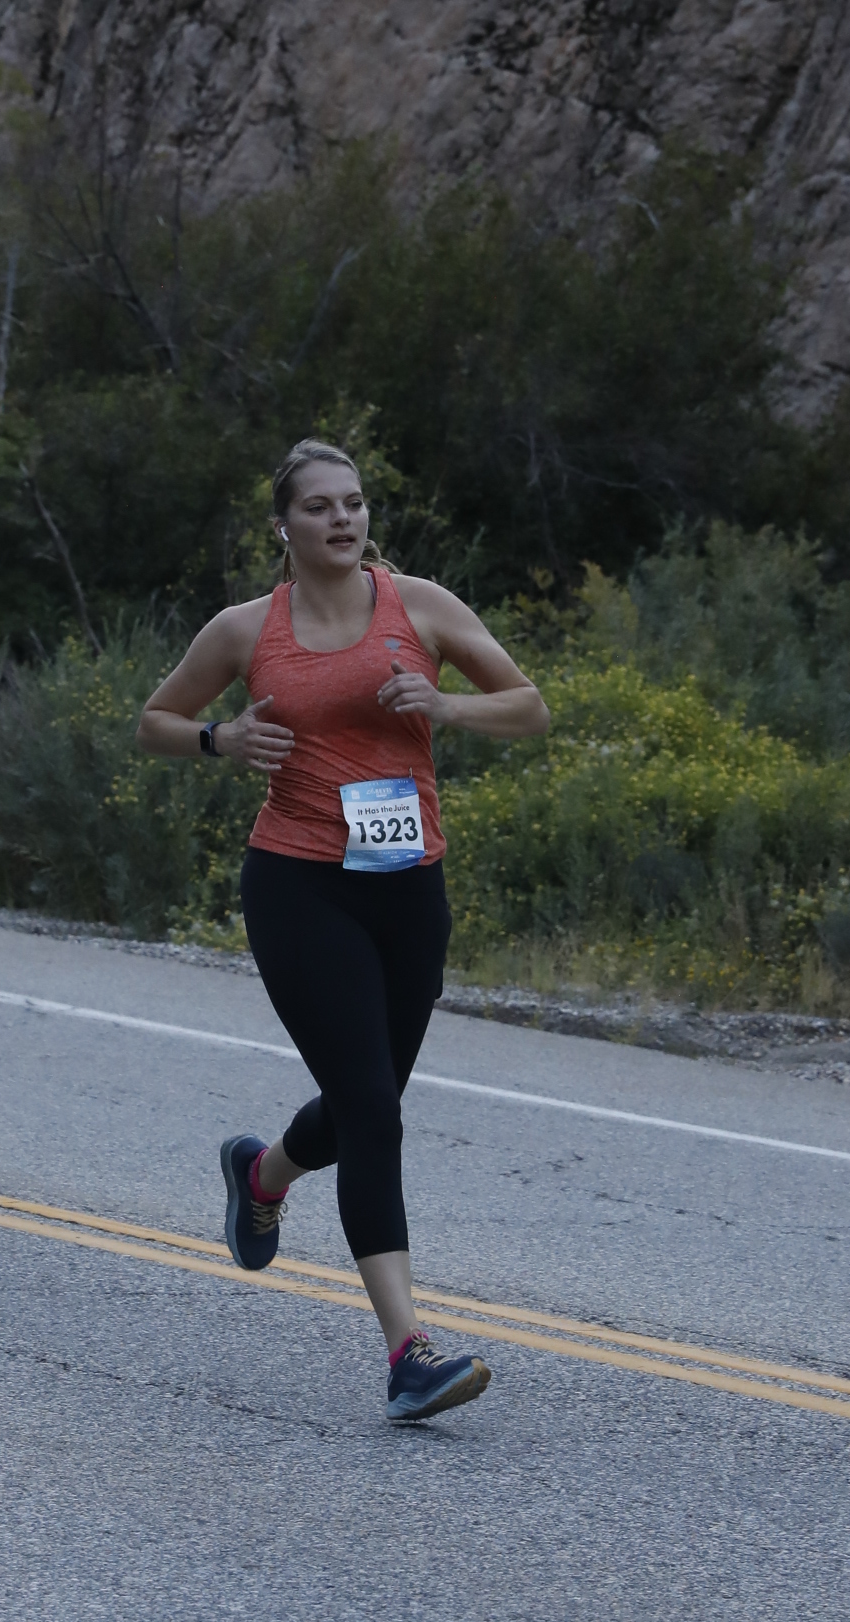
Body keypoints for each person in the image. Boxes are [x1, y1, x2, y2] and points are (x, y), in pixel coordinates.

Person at [137, 437, 549, 1423]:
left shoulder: (423, 606)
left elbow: (529, 708)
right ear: (284, 525)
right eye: (319, 506)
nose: (342, 518)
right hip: (299, 886)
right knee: (372, 1110)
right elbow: (154, 720)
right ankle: (408, 1353)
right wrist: (220, 738)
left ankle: (261, 1172)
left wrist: (445, 705)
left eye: (354, 503)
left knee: (369, 1099)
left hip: (408, 887)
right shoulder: (246, 629)